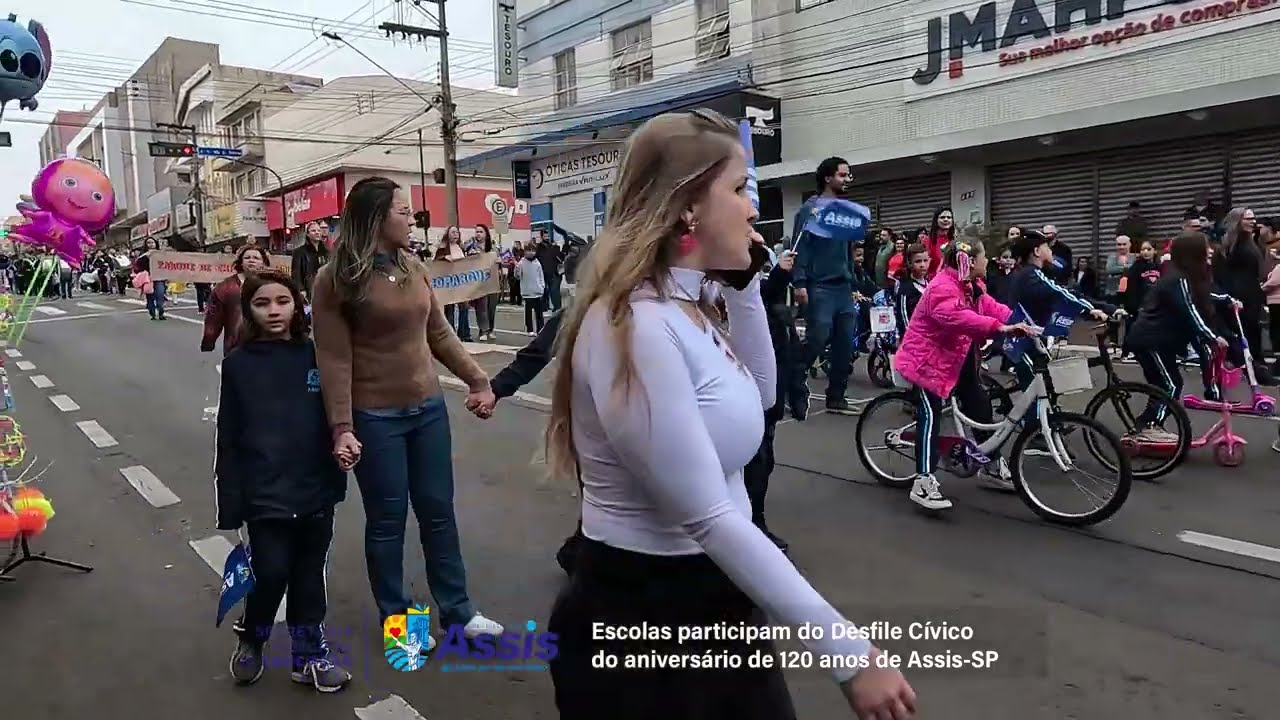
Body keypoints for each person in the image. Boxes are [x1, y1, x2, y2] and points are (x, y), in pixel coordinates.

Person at [542, 110, 916, 719]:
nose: (753, 210)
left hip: (717, 596)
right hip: (644, 618)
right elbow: (706, 513)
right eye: (740, 189)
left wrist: (744, 292)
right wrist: (847, 652)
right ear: (688, 208)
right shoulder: (635, 324)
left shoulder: (691, 304)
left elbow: (760, 400)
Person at [311, 176, 504, 643]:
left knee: (439, 512)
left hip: (428, 410)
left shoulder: (414, 267)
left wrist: (478, 379)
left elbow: (438, 333)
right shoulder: (335, 280)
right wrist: (342, 426)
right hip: (375, 418)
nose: (412, 219)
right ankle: (398, 622)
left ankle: (458, 611)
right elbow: (333, 358)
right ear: (377, 219)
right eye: (403, 211)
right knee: (387, 522)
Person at [215, 269, 353, 692]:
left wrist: (343, 446)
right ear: (248, 311)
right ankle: (253, 637)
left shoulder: (316, 355)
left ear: (297, 306)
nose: (273, 311)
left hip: (315, 486)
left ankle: (308, 656)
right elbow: (228, 435)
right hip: (264, 492)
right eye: (262, 304)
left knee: (309, 576)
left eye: (282, 301)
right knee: (271, 572)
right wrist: (231, 502)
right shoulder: (238, 364)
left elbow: (339, 412)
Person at [894, 240, 1036, 510]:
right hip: (927, 362)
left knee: (980, 405)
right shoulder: (943, 287)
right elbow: (957, 317)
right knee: (930, 414)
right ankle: (922, 482)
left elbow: (991, 307)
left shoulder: (971, 284)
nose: (988, 261)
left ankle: (991, 465)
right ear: (970, 261)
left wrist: (1024, 322)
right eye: (984, 257)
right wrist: (999, 328)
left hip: (957, 359)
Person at [1125, 232, 1236, 442]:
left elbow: (1206, 296)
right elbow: (1189, 310)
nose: (1210, 251)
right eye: (1205, 248)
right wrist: (1212, 337)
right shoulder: (1177, 280)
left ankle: (1145, 424)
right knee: (1170, 385)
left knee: (1165, 384)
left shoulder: (1187, 277)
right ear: (1193, 252)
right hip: (1151, 339)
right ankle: (1149, 426)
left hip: (1159, 339)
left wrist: (1228, 301)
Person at [791, 156, 858, 417]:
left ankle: (836, 397)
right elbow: (800, 247)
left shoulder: (846, 212)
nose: (847, 179)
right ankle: (791, 385)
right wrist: (799, 283)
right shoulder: (810, 210)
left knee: (845, 345)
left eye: (848, 175)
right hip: (819, 287)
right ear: (828, 178)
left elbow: (848, 250)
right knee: (817, 339)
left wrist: (853, 280)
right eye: (842, 175)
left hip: (843, 288)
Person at [1215, 207, 1273, 384]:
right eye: (1248, 218)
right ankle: (1253, 371)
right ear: (1237, 221)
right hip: (1238, 296)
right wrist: (1229, 296)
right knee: (1244, 334)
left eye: (1253, 218)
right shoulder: (1229, 246)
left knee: (1254, 332)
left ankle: (1257, 369)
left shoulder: (1251, 243)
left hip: (1253, 294)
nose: (1253, 222)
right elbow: (1221, 274)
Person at [201, 245, 270, 357]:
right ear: (241, 262)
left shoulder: (273, 284)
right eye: (247, 257)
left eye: (256, 258)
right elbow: (213, 316)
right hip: (236, 347)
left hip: (268, 346)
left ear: (264, 262)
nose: (251, 260)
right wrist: (209, 340)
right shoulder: (226, 287)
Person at [894, 243, 931, 331]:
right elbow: (904, 319)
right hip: (915, 334)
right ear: (909, 263)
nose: (922, 265)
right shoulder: (905, 289)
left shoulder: (930, 283)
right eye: (918, 261)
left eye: (925, 260)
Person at [291, 221, 330, 302]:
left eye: (318, 230)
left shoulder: (326, 252)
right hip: (308, 289)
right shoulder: (299, 252)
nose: (317, 233)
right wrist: (301, 289)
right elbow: (296, 273)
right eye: (313, 231)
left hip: (325, 289)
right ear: (307, 234)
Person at [132, 238, 166, 321]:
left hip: (159, 277)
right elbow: (138, 267)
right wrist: (146, 258)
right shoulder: (143, 256)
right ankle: (152, 312)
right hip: (148, 278)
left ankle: (160, 311)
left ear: (156, 243)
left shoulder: (161, 254)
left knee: (160, 294)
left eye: (152, 242)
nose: (151, 244)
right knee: (150, 296)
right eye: (148, 243)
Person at [917, 207, 955, 277]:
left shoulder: (955, 240)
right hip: (934, 279)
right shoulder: (928, 240)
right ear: (936, 220)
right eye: (942, 217)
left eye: (949, 217)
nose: (946, 219)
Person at [517, 244, 546, 335]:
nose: (531, 253)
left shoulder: (537, 263)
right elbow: (518, 276)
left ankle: (540, 329)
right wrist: (516, 268)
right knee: (528, 312)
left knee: (539, 312)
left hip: (538, 291)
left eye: (533, 250)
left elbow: (541, 275)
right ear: (525, 251)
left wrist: (542, 286)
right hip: (527, 292)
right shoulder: (521, 263)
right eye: (528, 250)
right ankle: (530, 329)